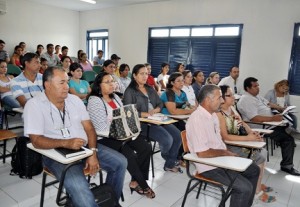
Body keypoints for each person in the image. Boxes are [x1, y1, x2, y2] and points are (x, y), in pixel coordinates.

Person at [23, 67, 127, 206]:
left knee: (120, 162)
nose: (67, 86)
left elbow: (89, 128)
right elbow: (36, 141)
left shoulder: (75, 101)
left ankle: (110, 202)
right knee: (81, 190)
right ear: (47, 85)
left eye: (67, 82)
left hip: (84, 147)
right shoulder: (34, 105)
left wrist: (92, 153)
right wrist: (65, 143)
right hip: (56, 155)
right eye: (62, 83)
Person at [186, 84, 260, 207]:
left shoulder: (212, 115)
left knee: (254, 169)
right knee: (244, 188)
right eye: (219, 97)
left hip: (220, 158)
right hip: (208, 165)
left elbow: (219, 141)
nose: (222, 100)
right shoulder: (198, 119)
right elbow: (202, 153)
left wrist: (227, 154)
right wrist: (225, 153)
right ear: (208, 100)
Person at [87, 72, 155, 199]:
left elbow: (123, 117)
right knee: (129, 154)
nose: (112, 84)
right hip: (105, 138)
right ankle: (143, 185)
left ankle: (135, 181)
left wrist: (130, 129)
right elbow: (100, 129)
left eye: (112, 81)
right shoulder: (95, 101)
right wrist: (121, 133)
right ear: (98, 86)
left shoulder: (116, 98)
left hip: (122, 134)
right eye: (107, 82)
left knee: (145, 147)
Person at [217, 85, 275, 203]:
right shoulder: (219, 114)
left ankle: (257, 185)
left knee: (263, 152)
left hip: (239, 142)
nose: (233, 97)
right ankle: (257, 191)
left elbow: (242, 123)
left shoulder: (231, 108)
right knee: (259, 157)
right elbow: (225, 137)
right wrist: (248, 138)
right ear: (221, 98)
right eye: (230, 95)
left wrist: (252, 133)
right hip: (230, 146)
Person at [123, 64, 182, 173]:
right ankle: (168, 157)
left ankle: (169, 164)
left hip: (157, 119)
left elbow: (160, 103)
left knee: (178, 136)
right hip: (142, 123)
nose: (145, 76)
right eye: (142, 74)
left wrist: (156, 110)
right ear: (134, 76)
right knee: (167, 140)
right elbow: (128, 112)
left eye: (146, 73)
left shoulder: (150, 88)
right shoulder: (130, 91)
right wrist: (143, 114)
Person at [237, 77, 300, 176]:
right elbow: (254, 118)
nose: (258, 88)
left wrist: (280, 109)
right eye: (255, 86)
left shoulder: (256, 96)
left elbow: (269, 103)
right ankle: (287, 166)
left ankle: (290, 130)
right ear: (247, 88)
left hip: (270, 124)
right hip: (260, 127)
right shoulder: (246, 99)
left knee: (288, 126)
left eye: (258, 85)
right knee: (288, 139)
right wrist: (273, 119)